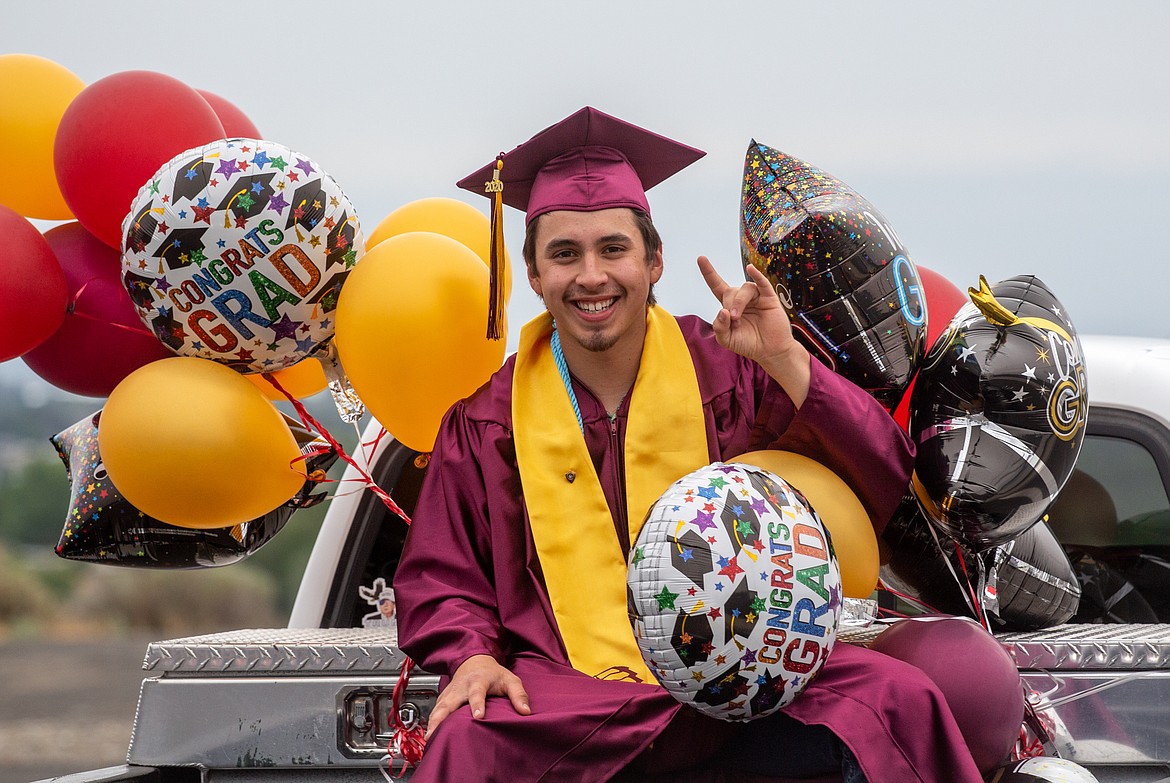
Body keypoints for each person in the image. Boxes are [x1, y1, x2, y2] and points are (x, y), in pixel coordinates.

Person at [394, 107, 984, 783]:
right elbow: (445, 576)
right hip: (572, 690)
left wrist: (788, 360)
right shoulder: (487, 422)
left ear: (654, 261)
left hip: (745, 669)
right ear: (533, 274)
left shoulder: (730, 370)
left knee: (899, 701)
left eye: (613, 248)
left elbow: (877, 471)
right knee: (466, 743)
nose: (591, 275)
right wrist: (471, 654)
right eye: (565, 253)